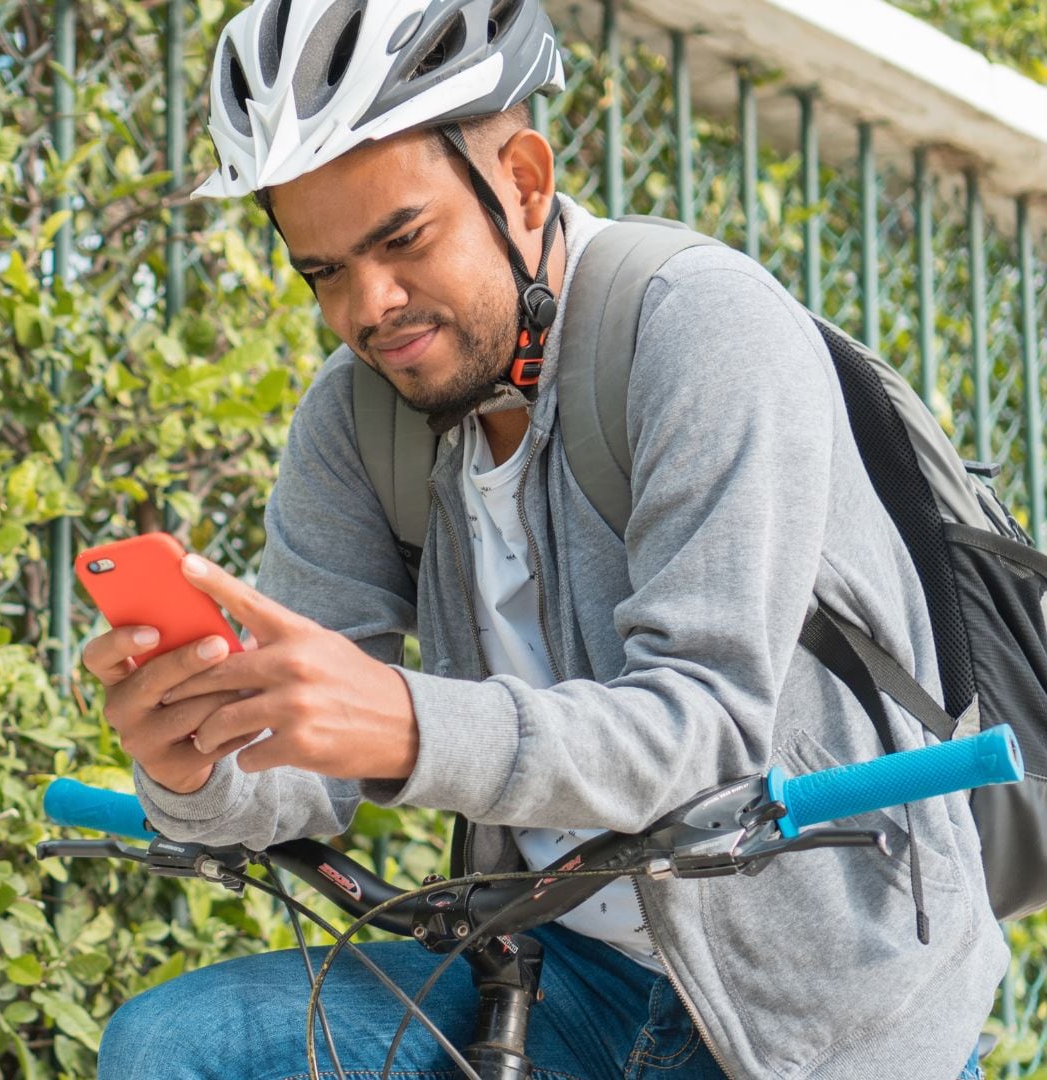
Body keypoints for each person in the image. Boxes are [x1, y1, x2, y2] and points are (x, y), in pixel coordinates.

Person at [79, 1, 1006, 1077]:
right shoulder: (356, 418)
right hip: (551, 971)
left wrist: (408, 723)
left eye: (402, 240)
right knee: (173, 1047)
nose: (367, 307)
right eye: (322, 270)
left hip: (820, 1001)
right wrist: (195, 760)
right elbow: (298, 788)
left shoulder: (701, 327)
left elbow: (703, 730)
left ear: (521, 179)